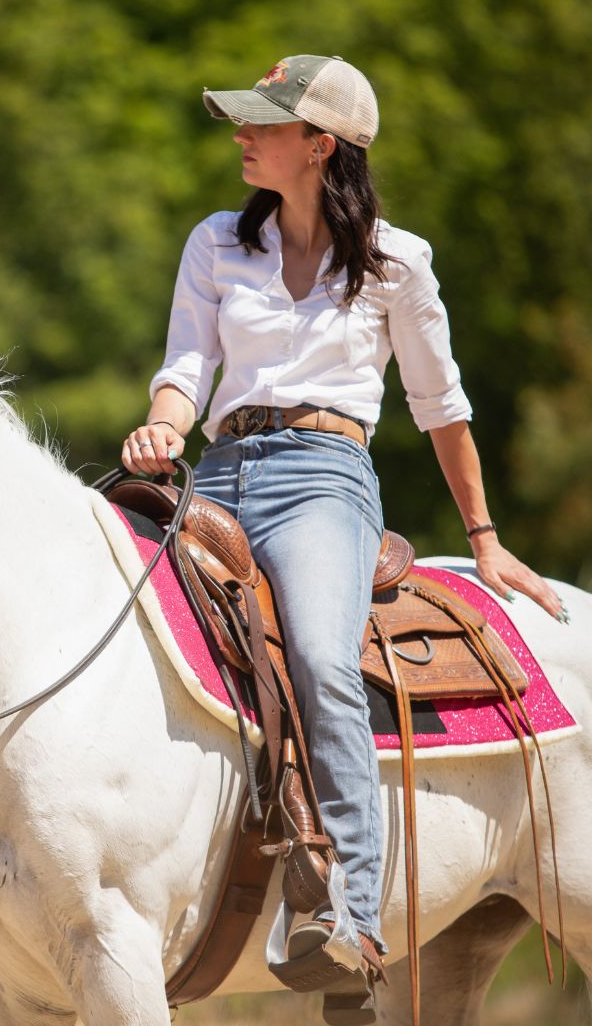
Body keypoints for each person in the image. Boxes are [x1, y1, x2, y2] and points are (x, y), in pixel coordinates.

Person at [121, 54, 566, 1019]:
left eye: (264, 124)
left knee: (322, 660)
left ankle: (353, 915)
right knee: (102, 605)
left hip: (323, 479)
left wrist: (484, 539)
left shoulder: (397, 263)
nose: (241, 134)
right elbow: (187, 366)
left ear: (321, 145)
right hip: (216, 473)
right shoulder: (214, 242)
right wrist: (163, 422)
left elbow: (441, 409)